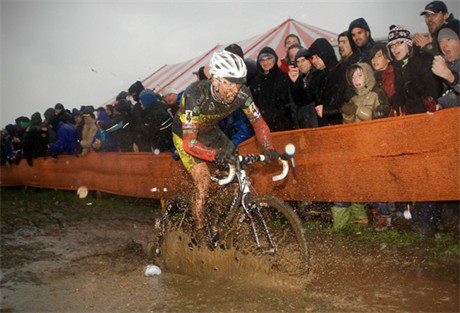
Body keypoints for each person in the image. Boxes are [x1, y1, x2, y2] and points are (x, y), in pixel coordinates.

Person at [172, 50, 279, 242]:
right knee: (203, 179)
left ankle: (218, 222)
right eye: (229, 84)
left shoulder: (242, 94)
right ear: (215, 79)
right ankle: (199, 232)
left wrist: (268, 148)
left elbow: (259, 123)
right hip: (185, 135)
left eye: (238, 85)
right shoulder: (195, 94)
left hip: (211, 132)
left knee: (240, 177)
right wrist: (214, 155)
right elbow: (190, 142)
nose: (234, 91)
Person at [388, 25, 443, 115]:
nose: (394, 48)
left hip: (429, 113)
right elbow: (400, 93)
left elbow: (433, 89)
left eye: (399, 43)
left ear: (408, 44)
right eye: (392, 45)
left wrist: (430, 103)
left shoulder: (423, 59)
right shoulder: (398, 66)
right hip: (411, 116)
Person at [249, 46, 294, 131]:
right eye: (262, 60)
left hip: (284, 126)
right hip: (262, 128)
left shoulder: (284, 77)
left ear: (274, 59)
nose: (266, 62)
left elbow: (289, 104)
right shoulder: (255, 82)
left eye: (269, 58)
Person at [308, 38, 342, 127]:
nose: (313, 61)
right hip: (325, 127)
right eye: (312, 57)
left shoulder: (341, 73)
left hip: (339, 127)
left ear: (324, 54)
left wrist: (325, 110)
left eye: (316, 56)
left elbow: (347, 105)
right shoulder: (320, 75)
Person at [432, 20, 460, 109]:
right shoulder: (448, 64)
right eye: (440, 41)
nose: (443, 45)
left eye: (449, 39)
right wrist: (440, 104)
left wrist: (451, 77)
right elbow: (455, 96)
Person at [288, 48, 318, 128]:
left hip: (316, 122)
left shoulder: (317, 75)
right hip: (303, 122)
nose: (300, 64)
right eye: (297, 62)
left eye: (303, 60)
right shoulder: (299, 77)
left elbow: (309, 99)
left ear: (310, 60)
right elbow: (297, 102)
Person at [370, 43, 398, 114]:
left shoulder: (394, 75)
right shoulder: (370, 77)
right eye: (373, 57)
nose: (374, 60)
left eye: (379, 56)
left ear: (388, 58)